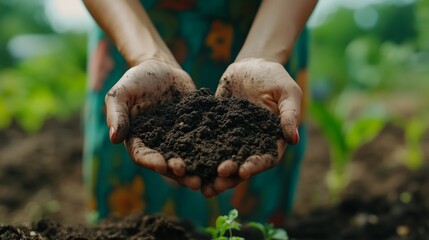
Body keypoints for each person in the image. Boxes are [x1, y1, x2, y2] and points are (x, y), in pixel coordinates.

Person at [82, 0, 317, 226]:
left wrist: (263, 55)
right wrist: (147, 57)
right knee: (131, 222)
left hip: (272, 28)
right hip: (130, 34)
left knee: (253, 223)